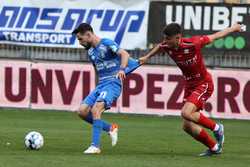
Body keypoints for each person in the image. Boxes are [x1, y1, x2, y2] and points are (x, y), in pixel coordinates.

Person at [139, 23, 243, 156]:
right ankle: (214, 147)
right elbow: (159, 47)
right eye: (164, 38)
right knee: (187, 126)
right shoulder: (167, 45)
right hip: (189, 85)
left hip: (204, 83)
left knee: (186, 113)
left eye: (167, 39)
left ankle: (217, 128)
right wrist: (147, 57)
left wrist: (234, 28)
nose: (165, 41)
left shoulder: (193, 43)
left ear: (178, 38)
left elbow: (215, 36)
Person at [72, 23, 140, 154]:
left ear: (88, 34)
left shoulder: (106, 43)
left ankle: (95, 146)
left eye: (80, 39)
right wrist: (97, 86)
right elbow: (97, 69)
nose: (80, 42)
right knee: (82, 111)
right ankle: (110, 128)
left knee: (96, 109)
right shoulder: (91, 51)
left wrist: (121, 69)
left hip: (112, 83)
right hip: (101, 85)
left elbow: (124, 54)